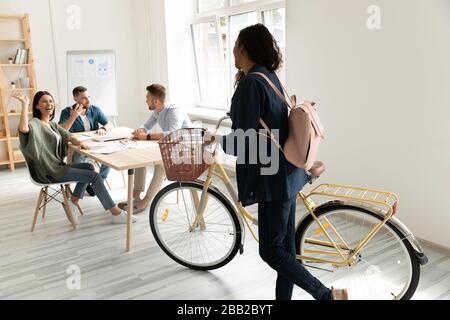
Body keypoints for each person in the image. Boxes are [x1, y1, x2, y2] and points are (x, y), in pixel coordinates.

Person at [213, 24, 348, 300]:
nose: (233, 52)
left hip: (272, 177)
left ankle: (326, 296)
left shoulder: (251, 83)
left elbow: (243, 139)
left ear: (246, 48)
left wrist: (215, 139)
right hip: (288, 172)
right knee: (284, 250)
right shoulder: (269, 76)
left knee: (271, 251)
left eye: (236, 46)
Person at [13, 90, 137, 225]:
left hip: (56, 166)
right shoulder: (35, 123)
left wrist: (80, 142)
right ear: (37, 106)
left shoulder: (51, 124)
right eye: (44, 101)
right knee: (94, 176)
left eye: (50, 101)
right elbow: (24, 129)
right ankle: (115, 213)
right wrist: (25, 105)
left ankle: (73, 201)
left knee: (90, 167)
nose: (49, 104)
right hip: (50, 171)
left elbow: (67, 134)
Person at [118, 84, 192, 213]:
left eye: (147, 97)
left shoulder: (175, 111)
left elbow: (172, 134)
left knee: (161, 164)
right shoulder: (157, 111)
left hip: (186, 150)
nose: (145, 100)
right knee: (138, 159)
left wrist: (146, 136)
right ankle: (135, 197)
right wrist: (139, 131)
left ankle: (145, 202)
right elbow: (146, 126)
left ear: (156, 101)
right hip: (170, 147)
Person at [59, 86, 113, 196]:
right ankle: (82, 185)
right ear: (75, 98)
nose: (88, 101)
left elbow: (109, 124)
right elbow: (62, 131)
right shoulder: (66, 112)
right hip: (78, 147)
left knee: (109, 155)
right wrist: (73, 116)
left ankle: (99, 183)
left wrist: (103, 128)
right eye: (84, 98)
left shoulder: (95, 109)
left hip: (94, 145)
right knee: (79, 157)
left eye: (89, 97)